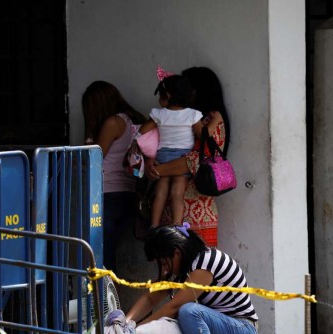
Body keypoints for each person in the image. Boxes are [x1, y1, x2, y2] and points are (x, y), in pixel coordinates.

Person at [125, 224, 258, 334]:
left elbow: (174, 306)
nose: (164, 269)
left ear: (177, 253)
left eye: (165, 262)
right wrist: (126, 323)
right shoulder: (186, 268)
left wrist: (136, 331)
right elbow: (150, 297)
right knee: (178, 320)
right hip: (225, 329)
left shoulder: (205, 263)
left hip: (244, 332)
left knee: (188, 312)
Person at [145, 67, 230, 247]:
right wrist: (150, 159)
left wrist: (156, 169)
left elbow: (193, 161)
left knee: (196, 270)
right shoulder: (182, 118)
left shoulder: (214, 119)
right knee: (171, 273)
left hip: (196, 213)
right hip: (171, 210)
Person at [82, 81, 146, 272]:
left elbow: (94, 157)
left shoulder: (112, 123)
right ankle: (109, 299)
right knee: (108, 252)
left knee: (101, 256)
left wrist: (89, 134)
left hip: (108, 194)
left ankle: (104, 300)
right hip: (128, 192)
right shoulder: (133, 121)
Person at [139, 75, 202, 227]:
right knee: (177, 193)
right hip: (182, 157)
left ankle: (154, 225)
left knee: (160, 192)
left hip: (164, 155)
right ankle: (177, 226)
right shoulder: (192, 114)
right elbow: (202, 135)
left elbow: (142, 131)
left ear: (167, 96)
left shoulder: (159, 114)